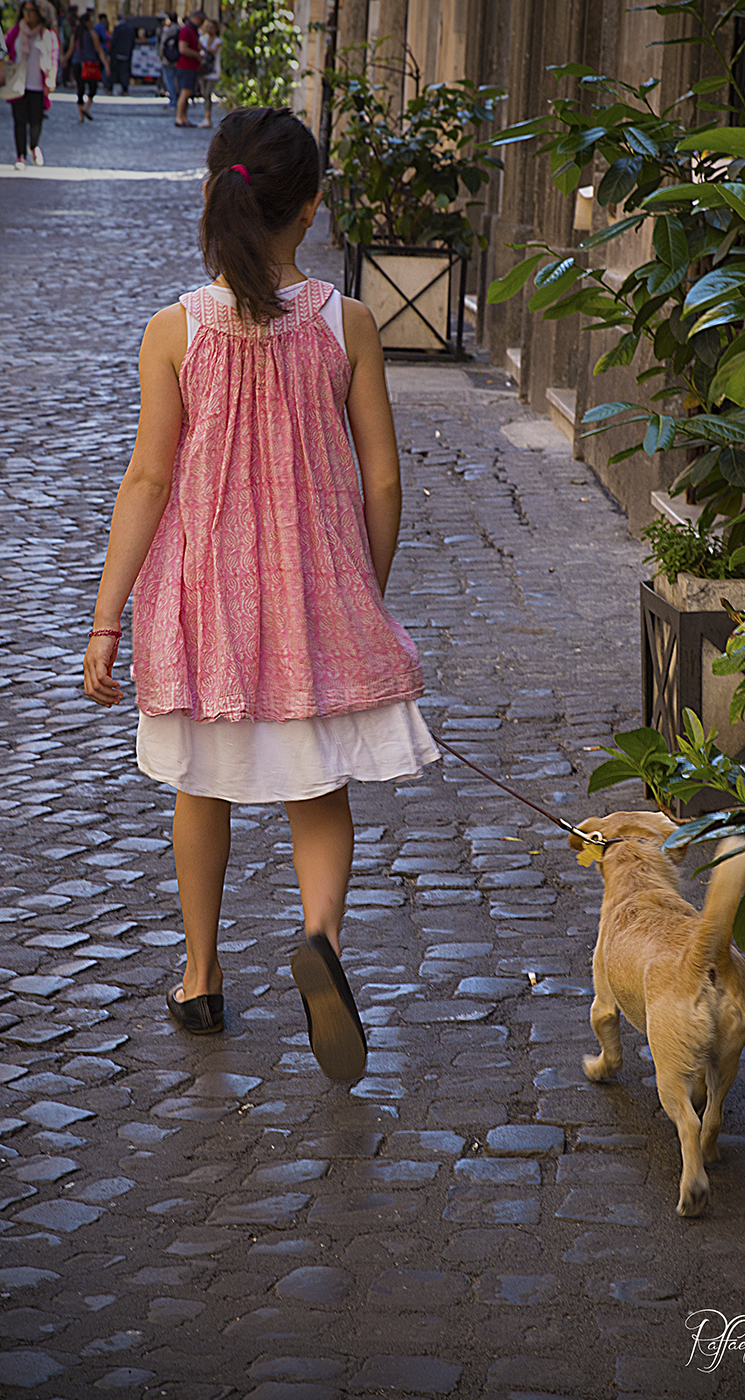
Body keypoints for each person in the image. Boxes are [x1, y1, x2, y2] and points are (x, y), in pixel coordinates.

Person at [83, 107, 437, 1084]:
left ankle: (199, 973)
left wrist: (109, 615)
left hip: (203, 598)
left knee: (202, 782)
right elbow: (384, 478)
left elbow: (148, 479)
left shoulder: (175, 331)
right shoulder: (346, 320)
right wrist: (365, 585)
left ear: (213, 195)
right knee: (317, 786)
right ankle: (319, 936)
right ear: (313, 211)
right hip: (318, 589)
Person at [4, 0, 59, 171]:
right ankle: (21, 156)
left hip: (37, 85)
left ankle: (34, 146)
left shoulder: (48, 35)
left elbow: (53, 58)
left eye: (32, 11)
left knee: (36, 121)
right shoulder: (16, 31)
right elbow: (4, 48)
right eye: (26, 10)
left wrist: (51, 78)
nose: (28, 14)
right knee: (19, 121)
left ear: (40, 13)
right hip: (18, 84)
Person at [64, 9, 108, 121]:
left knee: (80, 88)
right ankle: (86, 107)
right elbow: (99, 50)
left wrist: (63, 59)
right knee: (93, 88)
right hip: (90, 64)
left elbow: (70, 51)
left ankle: (80, 115)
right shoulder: (93, 34)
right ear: (88, 22)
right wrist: (106, 65)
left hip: (77, 64)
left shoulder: (75, 35)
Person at [174, 7, 203, 128]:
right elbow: (182, 48)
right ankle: (179, 117)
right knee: (184, 93)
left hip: (191, 67)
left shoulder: (193, 31)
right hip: (186, 66)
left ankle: (184, 117)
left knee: (188, 93)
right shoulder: (187, 30)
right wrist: (197, 55)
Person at [197, 16, 220, 128]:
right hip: (203, 69)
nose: (210, 29)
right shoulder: (203, 38)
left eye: (212, 27)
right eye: (208, 27)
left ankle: (208, 117)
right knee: (204, 93)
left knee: (208, 93)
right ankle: (207, 116)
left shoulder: (218, 41)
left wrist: (204, 48)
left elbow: (213, 51)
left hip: (214, 70)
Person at [157, 10, 178, 110]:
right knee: (176, 80)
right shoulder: (180, 29)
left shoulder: (167, 30)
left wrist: (161, 56)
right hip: (178, 59)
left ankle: (173, 101)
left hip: (167, 58)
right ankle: (176, 100)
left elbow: (163, 44)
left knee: (169, 80)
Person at [109, 13, 134, 96]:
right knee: (124, 72)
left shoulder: (118, 28)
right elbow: (132, 41)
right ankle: (125, 89)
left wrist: (111, 52)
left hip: (117, 53)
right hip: (126, 53)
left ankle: (110, 88)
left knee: (114, 71)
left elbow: (114, 41)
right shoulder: (130, 28)